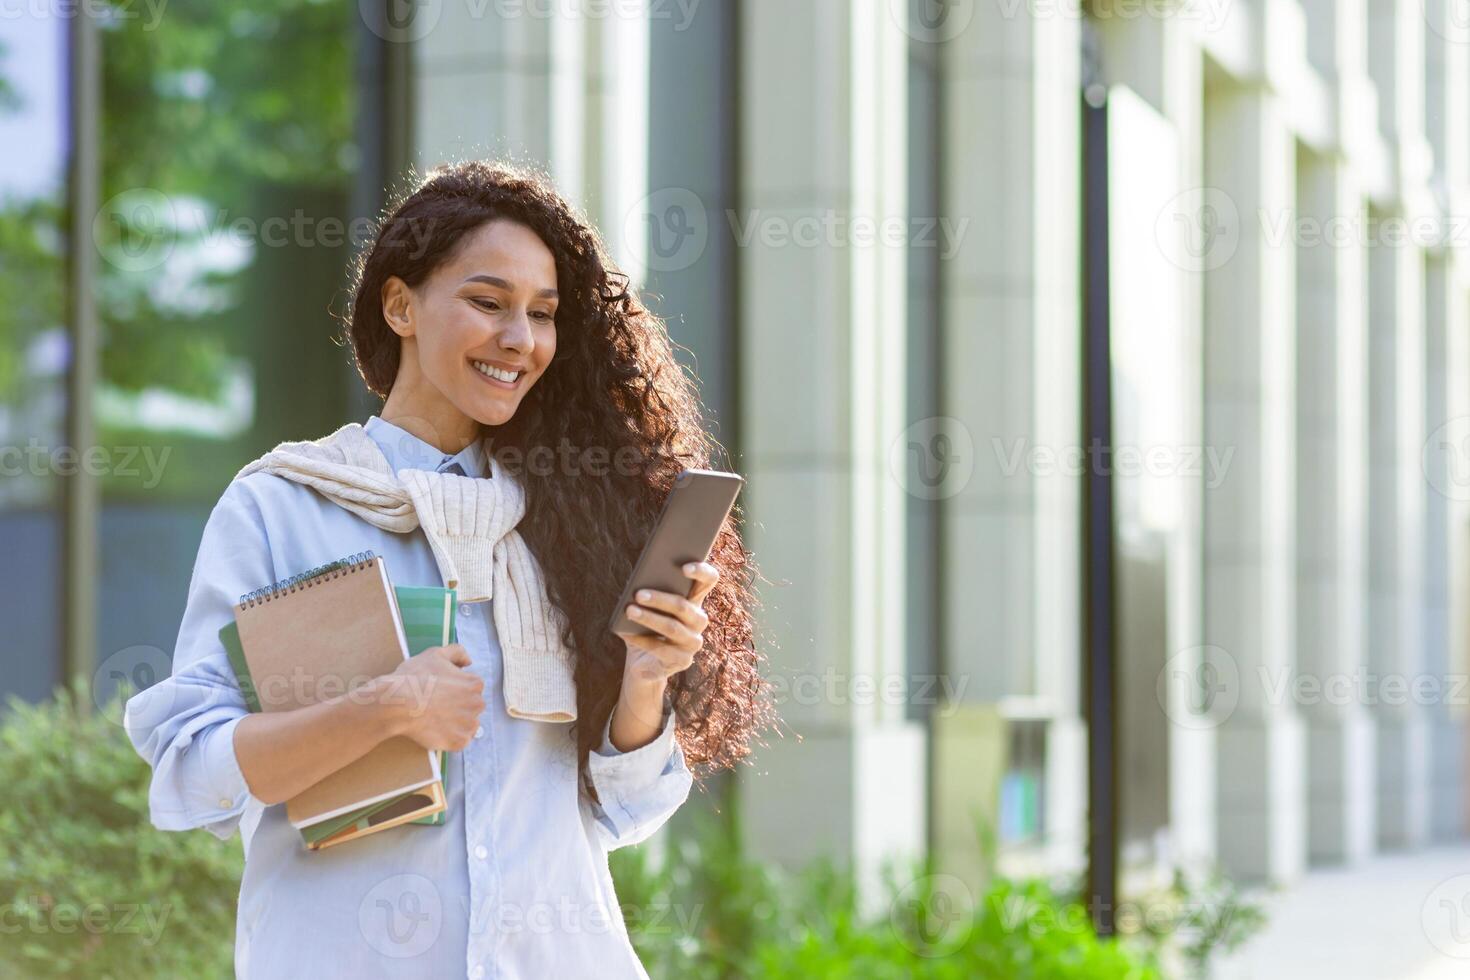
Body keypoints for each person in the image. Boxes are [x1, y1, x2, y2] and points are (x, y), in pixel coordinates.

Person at [124, 160, 771, 979]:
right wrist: (383, 709)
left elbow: (625, 809)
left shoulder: (570, 521)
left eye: (542, 314)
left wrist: (644, 683)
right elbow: (191, 772)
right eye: (487, 302)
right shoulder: (283, 509)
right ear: (400, 305)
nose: (519, 340)